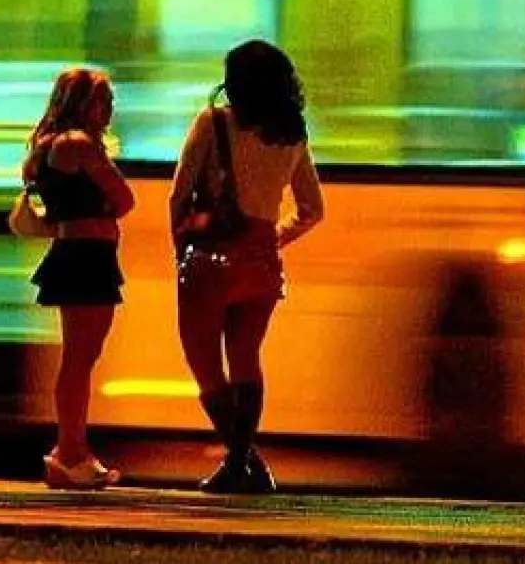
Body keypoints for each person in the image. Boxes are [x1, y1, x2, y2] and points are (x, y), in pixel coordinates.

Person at [168, 40, 325, 494]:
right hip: (261, 264)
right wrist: (273, 237)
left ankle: (244, 461)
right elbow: (313, 209)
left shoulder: (213, 123)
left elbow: (180, 194)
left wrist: (181, 249)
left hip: (210, 260)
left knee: (204, 363)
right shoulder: (292, 135)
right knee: (245, 358)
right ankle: (243, 464)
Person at [22, 67, 135, 490]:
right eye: (102, 100)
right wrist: (105, 197)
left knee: (79, 358)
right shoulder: (79, 145)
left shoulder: (48, 145)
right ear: (80, 103)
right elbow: (124, 199)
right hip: (88, 256)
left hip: (76, 253)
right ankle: (70, 454)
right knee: (80, 359)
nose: (109, 109)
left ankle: (72, 449)